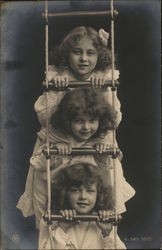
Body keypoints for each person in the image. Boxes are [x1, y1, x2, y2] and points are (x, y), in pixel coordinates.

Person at [17, 87, 122, 229]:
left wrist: (102, 157)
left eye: (92, 120)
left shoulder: (101, 140)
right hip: (61, 200)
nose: (86, 127)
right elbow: (41, 173)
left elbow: (109, 176)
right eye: (79, 120)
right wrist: (56, 155)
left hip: (89, 201)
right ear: (67, 121)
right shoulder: (55, 138)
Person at [34, 26, 121, 127]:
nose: (83, 58)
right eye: (77, 52)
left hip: (93, 137)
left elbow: (115, 121)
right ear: (67, 54)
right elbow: (44, 120)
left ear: (99, 55)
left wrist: (105, 91)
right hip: (61, 137)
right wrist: (56, 90)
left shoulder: (104, 79)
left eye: (90, 53)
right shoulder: (59, 77)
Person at [38, 160, 130, 249]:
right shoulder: (52, 219)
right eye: (75, 190)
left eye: (90, 191)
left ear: (98, 194)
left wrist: (107, 233)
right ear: (64, 192)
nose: (83, 197)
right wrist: (62, 229)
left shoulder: (103, 221)